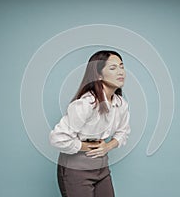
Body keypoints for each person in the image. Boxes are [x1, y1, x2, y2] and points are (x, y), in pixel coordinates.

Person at [49, 50, 131, 197]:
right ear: (99, 75)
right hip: (76, 169)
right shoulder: (86, 104)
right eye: (113, 68)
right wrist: (89, 146)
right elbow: (57, 139)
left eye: (121, 66)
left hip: (102, 168)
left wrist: (107, 146)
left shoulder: (121, 104)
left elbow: (123, 132)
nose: (121, 72)